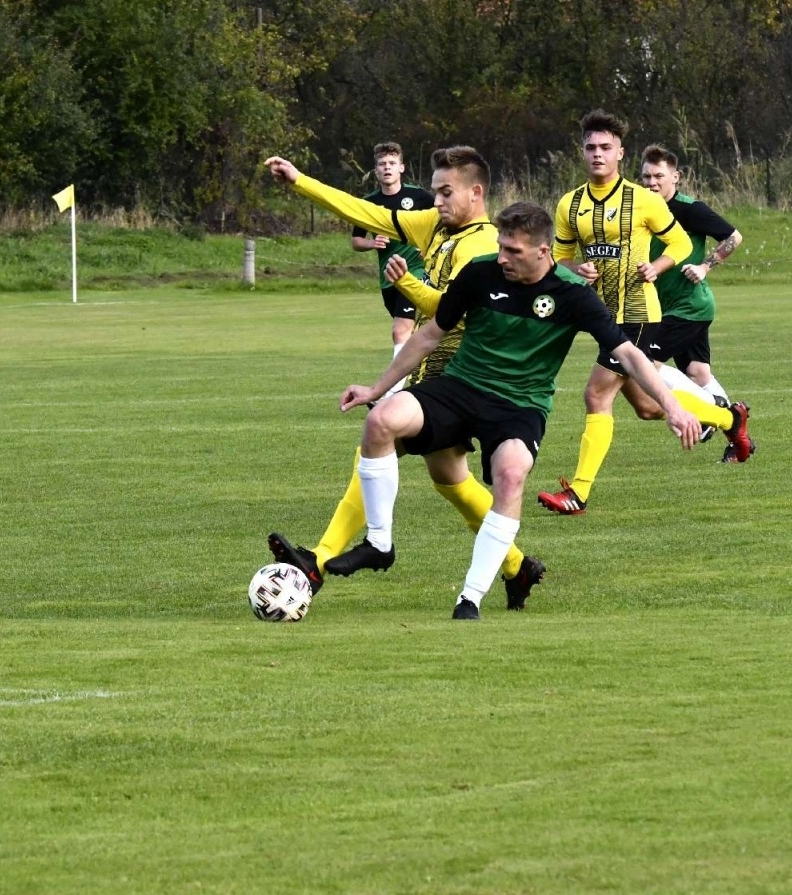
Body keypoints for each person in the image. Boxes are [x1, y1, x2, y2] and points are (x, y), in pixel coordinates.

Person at [330, 201, 700, 620]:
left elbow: (628, 355)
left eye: (514, 251)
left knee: (510, 474)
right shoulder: (480, 273)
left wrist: (672, 407)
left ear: (543, 252)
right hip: (461, 386)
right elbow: (430, 335)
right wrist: (377, 388)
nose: (502, 257)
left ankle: (469, 597)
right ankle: (379, 544)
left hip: (520, 406)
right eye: (502, 246)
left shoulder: (572, 294)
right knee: (381, 421)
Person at [261, 148, 547, 610]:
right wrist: (300, 180)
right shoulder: (433, 225)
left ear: (476, 193)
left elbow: (451, 313)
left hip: (462, 374)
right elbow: (365, 211)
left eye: (445, 192)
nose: (435, 200)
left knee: (381, 439)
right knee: (448, 477)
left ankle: (318, 562)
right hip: (436, 368)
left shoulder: (483, 245)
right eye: (434, 190)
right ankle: (516, 568)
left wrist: (408, 286)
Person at [536, 110, 752, 516]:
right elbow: (559, 257)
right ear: (582, 152)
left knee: (596, 393)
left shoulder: (645, 200)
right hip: (602, 315)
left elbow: (679, 245)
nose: (597, 154)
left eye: (605, 147)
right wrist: (575, 268)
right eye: (590, 147)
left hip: (638, 312)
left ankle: (578, 492)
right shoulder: (570, 204)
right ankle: (727, 418)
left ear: (619, 152)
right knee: (649, 405)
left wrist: (658, 267)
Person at [638, 144, 751, 461]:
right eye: (646, 176)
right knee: (699, 374)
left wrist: (705, 266)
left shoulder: (689, 209)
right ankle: (737, 436)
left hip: (689, 307)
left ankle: (713, 413)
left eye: (659, 175)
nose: (651, 182)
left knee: (646, 364)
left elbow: (734, 237)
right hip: (668, 306)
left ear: (676, 176)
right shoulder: (641, 211)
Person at [352, 142, 437, 359]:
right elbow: (356, 240)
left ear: (402, 167)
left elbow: (442, 223)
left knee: (400, 330)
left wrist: (429, 246)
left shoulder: (420, 197)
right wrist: (372, 244)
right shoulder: (369, 203)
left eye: (392, 163)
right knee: (413, 332)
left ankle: (393, 389)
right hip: (388, 277)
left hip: (415, 272)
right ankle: (425, 377)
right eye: (382, 164)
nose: (387, 167)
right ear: (376, 170)